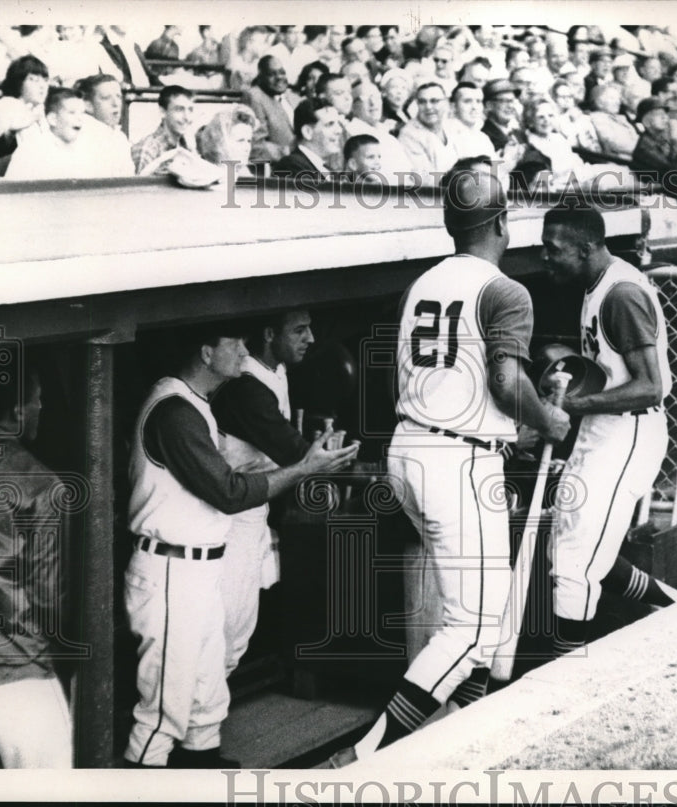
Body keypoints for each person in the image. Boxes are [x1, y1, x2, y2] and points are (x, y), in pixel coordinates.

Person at [329, 169, 570, 767]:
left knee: (481, 632)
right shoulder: (506, 289)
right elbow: (507, 381)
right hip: (457, 463)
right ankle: (363, 757)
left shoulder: (424, 283)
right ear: (501, 224)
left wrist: (501, 424)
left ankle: (462, 739)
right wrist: (546, 421)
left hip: (413, 447)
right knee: (468, 628)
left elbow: (431, 381)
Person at [124, 322, 357, 768]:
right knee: (162, 712)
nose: (245, 352)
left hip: (197, 567)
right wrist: (304, 467)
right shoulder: (174, 409)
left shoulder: (196, 403)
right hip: (170, 568)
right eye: (236, 343)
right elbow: (228, 492)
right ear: (206, 352)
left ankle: (202, 770)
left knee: (205, 697)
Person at [540, 204, 677, 656]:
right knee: (564, 549)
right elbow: (613, 370)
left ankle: (565, 677)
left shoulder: (620, 292)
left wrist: (575, 405)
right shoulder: (595, 282)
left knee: (573, 566)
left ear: (585, 249)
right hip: (604, 429)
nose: (546, 257)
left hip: (630, 435)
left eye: (554, 249)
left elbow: (650, 387)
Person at [0, 358, 73, 768]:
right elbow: (49, 596)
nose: (41, 408)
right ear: (18, 411)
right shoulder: (40, 483)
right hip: (18, 668)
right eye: (38, 399)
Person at [209, 311, 316, 677]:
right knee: (229, 623)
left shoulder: (276, 372)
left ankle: (208, 714)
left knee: (242, 623)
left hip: (255, 506)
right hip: (228, 513)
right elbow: (294, 451)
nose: (310, 338)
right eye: (299, 330)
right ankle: (201, 720)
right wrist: (326, 458)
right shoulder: (247, 384)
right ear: (270, 334)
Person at [5, 87, 130, 180]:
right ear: (52, 119)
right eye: (72, 112)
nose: (80, 118)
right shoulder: (31, 150)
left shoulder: (91, 149)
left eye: (82, 113)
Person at [0, 55, 50, 176]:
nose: (42, 86)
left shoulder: (37, 111)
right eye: (33, 79)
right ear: (18, 82)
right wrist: (10, 133)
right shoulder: (7, 106)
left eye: (45, 80)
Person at [397, 82, 459, 185]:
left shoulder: (450, 127)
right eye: (422, 102)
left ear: (446, 103)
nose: (428, 107)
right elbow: (427, 181)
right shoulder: (409, 135)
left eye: (434, 101)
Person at [242, 55, 300, 162]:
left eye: (282, 72)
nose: (279, 77)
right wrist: (287, 152)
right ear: (260, 77)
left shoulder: (291, 96)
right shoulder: (255, 97)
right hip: (279, 166)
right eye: (271, 74)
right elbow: (255, 145)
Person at [130, 84, 196, 175]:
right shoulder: (147, 149)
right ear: (163, 112)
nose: (187, 117)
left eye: (190, 110)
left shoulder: (186, 147)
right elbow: (136, 188)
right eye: (179, 109)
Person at [271, 99, 342, 179]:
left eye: (339, 124)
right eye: (330, 124)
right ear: (307, 132)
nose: (339, 130)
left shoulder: (329, 171)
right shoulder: (291, 166)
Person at [196, 104, 257, 176]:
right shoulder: (208, 176)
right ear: (219, 142)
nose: (247, 148)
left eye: (249, 141)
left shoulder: (244, 173)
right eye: (240, 141)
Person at [444, 82, 496, 160]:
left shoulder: (483, 138)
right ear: (453, 106)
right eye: (467, 101)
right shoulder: (446, 136)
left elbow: (494, 170)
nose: (474, 107)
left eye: (478, 101)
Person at [630, 97, 677, 178]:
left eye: (665, 114)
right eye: (658, 114)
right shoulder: (644, 146)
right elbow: (669, 167)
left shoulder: (666, 141)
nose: (664, 117)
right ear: (646, 122)